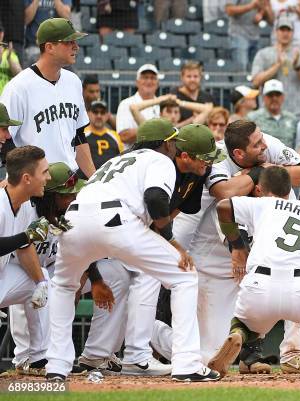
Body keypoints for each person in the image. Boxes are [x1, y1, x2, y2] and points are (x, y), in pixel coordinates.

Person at [44, 118, 223, 382]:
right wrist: (171, 242)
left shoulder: (114, 161)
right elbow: (155, 198)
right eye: (172, 141)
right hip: (116, 220)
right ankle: (186, 363)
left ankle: (56, 367)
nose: (174, 145)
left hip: (74, 221)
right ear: (165, 144)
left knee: (62, 286)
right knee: (184, 276)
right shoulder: (159, 160)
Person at [152, 120, 300, 375]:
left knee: (298, 272)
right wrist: (237, 247)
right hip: (214, 255)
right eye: (256, 145)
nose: (264, 146)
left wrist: (263, 169)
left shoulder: (266, 147)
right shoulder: (218, 159)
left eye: (262, 140)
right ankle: (152, 331)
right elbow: (223, 195)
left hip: (257, 249)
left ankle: (292, 353)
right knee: (207, 356)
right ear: (239, 154)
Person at [208, 171, 300, 378]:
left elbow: (223, 206)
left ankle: (238, 334)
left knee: (246, 322)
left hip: (258, 286)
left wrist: (238, 245)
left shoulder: (272, 204)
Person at [9, 161, 125, 375]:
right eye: (67, 194)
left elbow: (82, 250)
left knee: (117, 274)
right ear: (51, 196)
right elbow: (23, 253)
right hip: (24, 277)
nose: (73, 197)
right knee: (42, 281)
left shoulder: (70, 211)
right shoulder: (27, 211)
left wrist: (93, 279)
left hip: (54, 272)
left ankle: (96, 354)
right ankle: (31, 357)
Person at [0, 18, 95, 178]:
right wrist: (25, 176)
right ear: (49, 47)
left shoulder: (73, 82)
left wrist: (94, 179)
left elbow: (78, 137)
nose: (76, 47)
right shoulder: (19, 87)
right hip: (32, 185)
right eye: (69, 42)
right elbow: (4, 139)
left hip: (68, 181)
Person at [0, 146, 51, 375]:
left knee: (41, 279)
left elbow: (23, 247)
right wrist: (26, 236)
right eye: (44, 172)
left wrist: (40, 282)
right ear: (27, 178)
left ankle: (38, 359)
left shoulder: (22, 204)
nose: (48, 178)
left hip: (2, 277)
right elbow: (23, 239)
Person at [251, 14, 300, 117]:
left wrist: (298, 67)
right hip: (267, 114)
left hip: (295, 112)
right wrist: (277, 65)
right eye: (282, 30)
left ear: (293, 33)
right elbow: (256, 81)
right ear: (276, 32)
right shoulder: (263, 54)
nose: (285, 33)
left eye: (288, 30)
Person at [116, 64, 161, 147]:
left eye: (152, 78)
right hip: (134, 156)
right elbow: (124, 136)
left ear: (157, 84)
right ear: (137, 82)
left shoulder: (162, 105)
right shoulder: (126, 104)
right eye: (145, 77)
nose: (149, 81)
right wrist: (155, 130)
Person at [247, 79, 298, 148]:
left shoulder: (292, 119)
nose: (274, 98)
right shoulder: (252, 118)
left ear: (283, 97)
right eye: (270, 95)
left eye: (277, 95)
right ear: (264, 98)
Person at [225, 0, 271, 71]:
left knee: (256, 71)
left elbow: (265, 6)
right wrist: (250, 6)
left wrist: (261, 14)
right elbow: (229, 10)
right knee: (241, 72)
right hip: (238, 35)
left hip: (255, 36)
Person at [23, 0, 71, 66]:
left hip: (56, 45)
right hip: (34, 45)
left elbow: (66, 16)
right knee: (33, 74)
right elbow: (26, 19)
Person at [130, 94, 212, 128]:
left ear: (179, 115)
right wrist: (161, 99)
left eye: (176, 112)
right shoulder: (152, 130)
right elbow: (134, 108)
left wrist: (179, 102)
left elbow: (208, 108)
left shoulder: (185, 131)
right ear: (161, 114)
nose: (173, 116)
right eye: (169, 111)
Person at [85, 100, 124, 169]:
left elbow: (122, 158)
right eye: (95, 112)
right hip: (87, 178)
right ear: (88, 114)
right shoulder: (82, 134)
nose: (99, 116)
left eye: (102, 113)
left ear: (107, 115)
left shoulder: (115, 136)